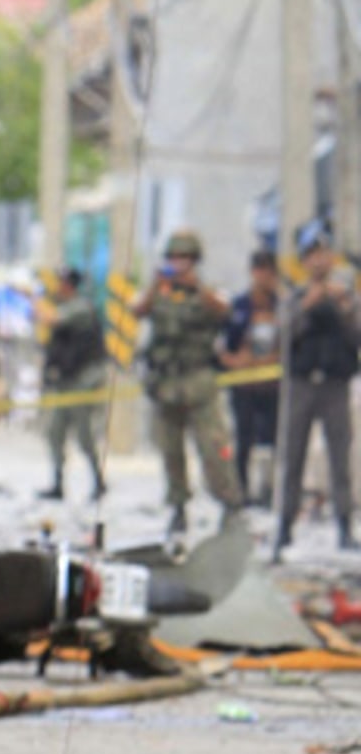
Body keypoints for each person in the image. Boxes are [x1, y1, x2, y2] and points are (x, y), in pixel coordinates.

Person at [131, 228, 242, 537]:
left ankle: (230, 503)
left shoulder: (206, 292)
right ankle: (178, 507)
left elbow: (225, 311)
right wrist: (155, 286)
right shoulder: (160, 292)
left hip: (198, 381)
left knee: (214, 448)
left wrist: (197, 288)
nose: (179, 264)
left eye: (185, 259)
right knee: (170, 451)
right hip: (165, 383)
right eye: (174, 258)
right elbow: (137, 310)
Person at [277, 218, 361, 551]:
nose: (319, 261)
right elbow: (284, 336)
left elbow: (356, 335)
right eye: (312, 255)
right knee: (292, 456)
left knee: (340, 457)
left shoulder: (346, 295)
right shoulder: (295, 297)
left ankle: (344, 525)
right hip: (301, 385)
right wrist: (308, 305)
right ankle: (284, 524)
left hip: (334, 384)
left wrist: (345, 307)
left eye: (323, 254)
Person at [36, 267, 107, 502]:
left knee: (84, 435)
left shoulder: (80, 307)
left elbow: (51, 318)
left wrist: (34, 297)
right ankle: (57, 483)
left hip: (81, 383)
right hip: (64, 382)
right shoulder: (64, 306)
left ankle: (98, 481)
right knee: (54, 432)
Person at [221, 250, 283, 506]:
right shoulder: (239, 305)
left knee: (274, 440)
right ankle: (241, 491)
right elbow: (223, 345)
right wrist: (236, 362)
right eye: (259, 270)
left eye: (267, 270)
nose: (263, 276)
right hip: (243, 385)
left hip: (273, 385)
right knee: (243, 439)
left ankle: (270, 490)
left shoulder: (282, 305)